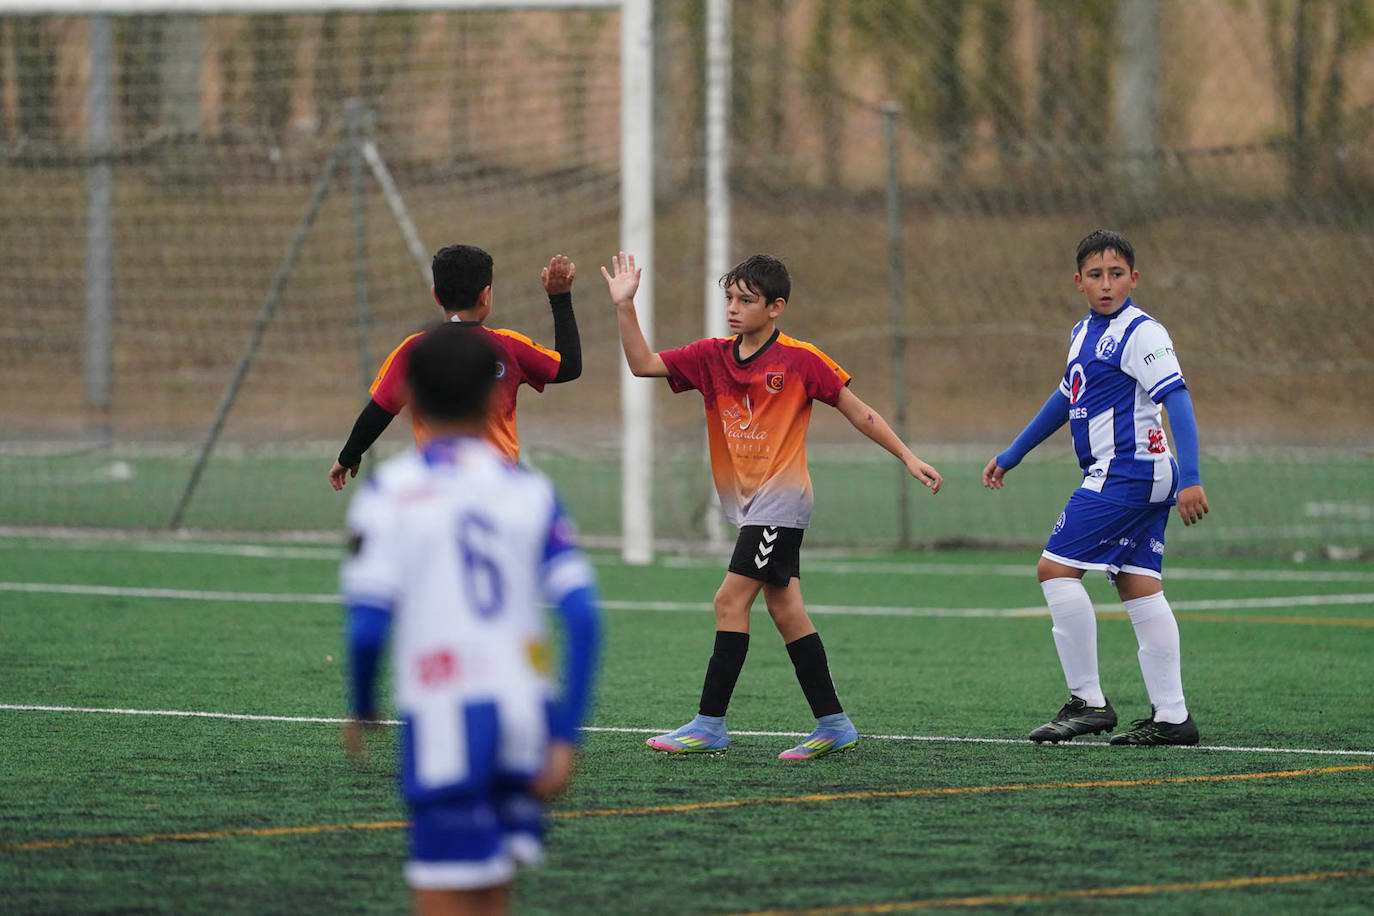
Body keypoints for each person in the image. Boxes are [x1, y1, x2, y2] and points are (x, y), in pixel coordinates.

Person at [601, 251, 943, 760]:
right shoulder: (712, 355)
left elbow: (860, 412)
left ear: (776, 307)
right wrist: (625, 306)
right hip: (751, 505)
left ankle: (709, 724)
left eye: (746, 300)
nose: (733, 309)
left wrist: (908, 457)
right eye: (730, 299)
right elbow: (643, 364)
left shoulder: (801, 360)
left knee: (728, 602)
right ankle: (834, 723)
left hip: (780, 503)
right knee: (787, 611)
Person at [340, 323, 601, 916]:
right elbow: (584, 618)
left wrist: (361, 704)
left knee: (444, 894)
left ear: (415, 398)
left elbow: (366, 628)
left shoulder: (391, 492)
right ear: (493, 399)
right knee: (491, 894)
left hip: (446, 713)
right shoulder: (530, 490)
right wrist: (566, 737)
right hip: (526, 716)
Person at [982, 229, 1210, 747]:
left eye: (1116, 273)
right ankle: (1172, 716)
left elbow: (1178, 399)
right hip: (1138, 474)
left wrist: (1193, 478)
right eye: (1095, 275)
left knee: (1054, 570)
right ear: (1078, 282)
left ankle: (1089, 702)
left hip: (1128, 472)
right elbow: (1066, 398)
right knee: (1137, 584)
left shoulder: (1142, 332)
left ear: (1134, 277)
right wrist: (1012, 454)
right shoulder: (1083, 333)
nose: (1106, 284)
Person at [329, 244, 581, 489]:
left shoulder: (413, 349)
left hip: (436, 486)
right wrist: (560, 299)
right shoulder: (509, 346)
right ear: (485, 295)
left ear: (435, 295)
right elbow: (569, 366)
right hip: (497, 488)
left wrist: (348, 455)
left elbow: (380, 410)